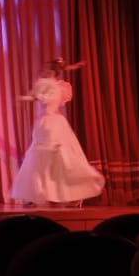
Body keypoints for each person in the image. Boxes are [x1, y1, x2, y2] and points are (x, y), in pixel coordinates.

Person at [9, 58, 105, 207]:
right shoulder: (50, 84)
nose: (44, 71)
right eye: (44, 69)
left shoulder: (52, 86)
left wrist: (23, 98)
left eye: (48, 69)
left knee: (55, 158)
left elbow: (40, 98)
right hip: (46, 123)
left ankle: (61, 193)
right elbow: (40, 96)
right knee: (44, 158)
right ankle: (44, 192)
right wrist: (74, 66)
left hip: (52, 124)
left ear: (53, 72)